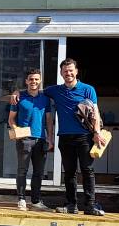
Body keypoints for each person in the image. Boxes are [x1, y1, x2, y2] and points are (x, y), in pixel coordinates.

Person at [38, 58, 105, 216]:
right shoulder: (55, 90)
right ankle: (71, 206)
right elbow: (35, 91)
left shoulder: (88, 89)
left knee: (87, 170)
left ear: (76, 71)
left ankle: (90, 206)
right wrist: (17, 93)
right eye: (65, 71)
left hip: (85, 137)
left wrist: (96, 133)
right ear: (61, 73)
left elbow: (95, 112)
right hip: (65, 137)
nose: (68, 73)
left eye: (70, 70)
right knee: (69, 173)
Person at [7, 68, 54, 211]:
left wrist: (50, 138)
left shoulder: (45, 98)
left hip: (41, 139)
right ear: (26, 81)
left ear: (40, 81)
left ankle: (35, 201)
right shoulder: (19, 97)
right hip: (24, 139)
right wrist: (16, 130)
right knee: (22, 170)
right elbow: (11, 120)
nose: (34, 81)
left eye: (36, 79)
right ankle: (21, 200)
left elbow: (48, 120)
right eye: (31, 79)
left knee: (38, 172)